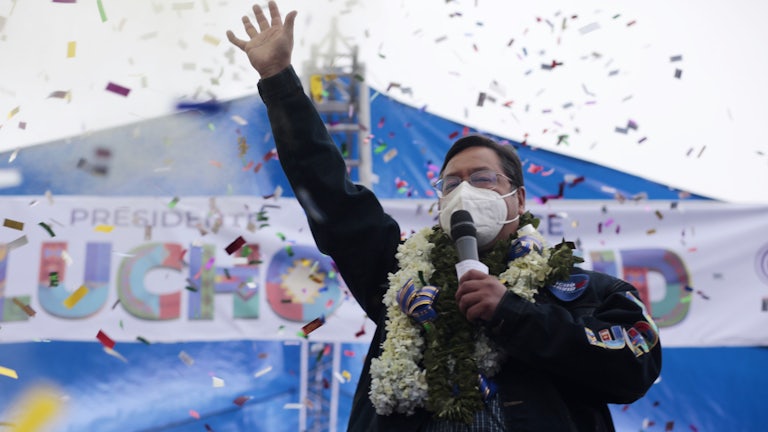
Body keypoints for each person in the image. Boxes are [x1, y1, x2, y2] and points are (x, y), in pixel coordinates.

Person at [227, 3, 662, 431]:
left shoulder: (588, 292)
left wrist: (511, 312)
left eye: (483, 178)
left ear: (518, 199)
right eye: (452, 183)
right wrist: (278, 80)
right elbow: (333, 198)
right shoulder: (401, 279)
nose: (465, 191)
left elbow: (635, 366)